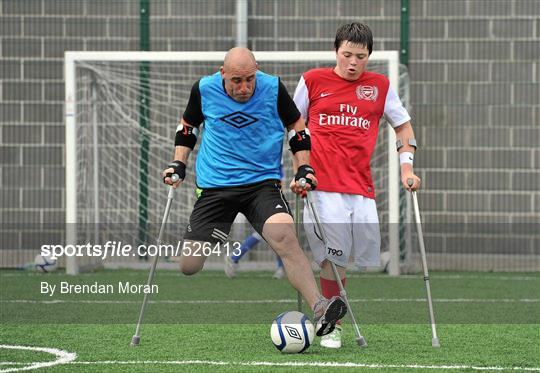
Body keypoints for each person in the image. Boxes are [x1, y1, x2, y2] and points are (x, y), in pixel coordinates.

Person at [162, 47, 347, 337]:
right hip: (216, 187)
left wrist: (304, 168)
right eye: (237, 80)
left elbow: (297, 128)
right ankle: (213, 238)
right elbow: (188, 126)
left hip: (262, 184)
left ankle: (321, 308)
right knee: (189, 265)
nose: (244, 87)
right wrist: (178, 163)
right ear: (223, 74)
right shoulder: (204, 89)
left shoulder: (273, 88)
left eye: (250, 79)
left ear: (257, 70)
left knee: (285, 236)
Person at [292, 22, 421, 348]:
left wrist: (407, 169)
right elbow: (294, 128)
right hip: (320, 186)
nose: (352, 62)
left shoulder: (380, 86)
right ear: (336, 51)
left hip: (361, 189)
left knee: (348, 261)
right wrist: (300, 170)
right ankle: (330, 325)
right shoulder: (312, 81)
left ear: (369, 56)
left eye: (359, 56)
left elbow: (403, 128)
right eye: (346, 54)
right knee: (332, 259)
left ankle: (328, 314)